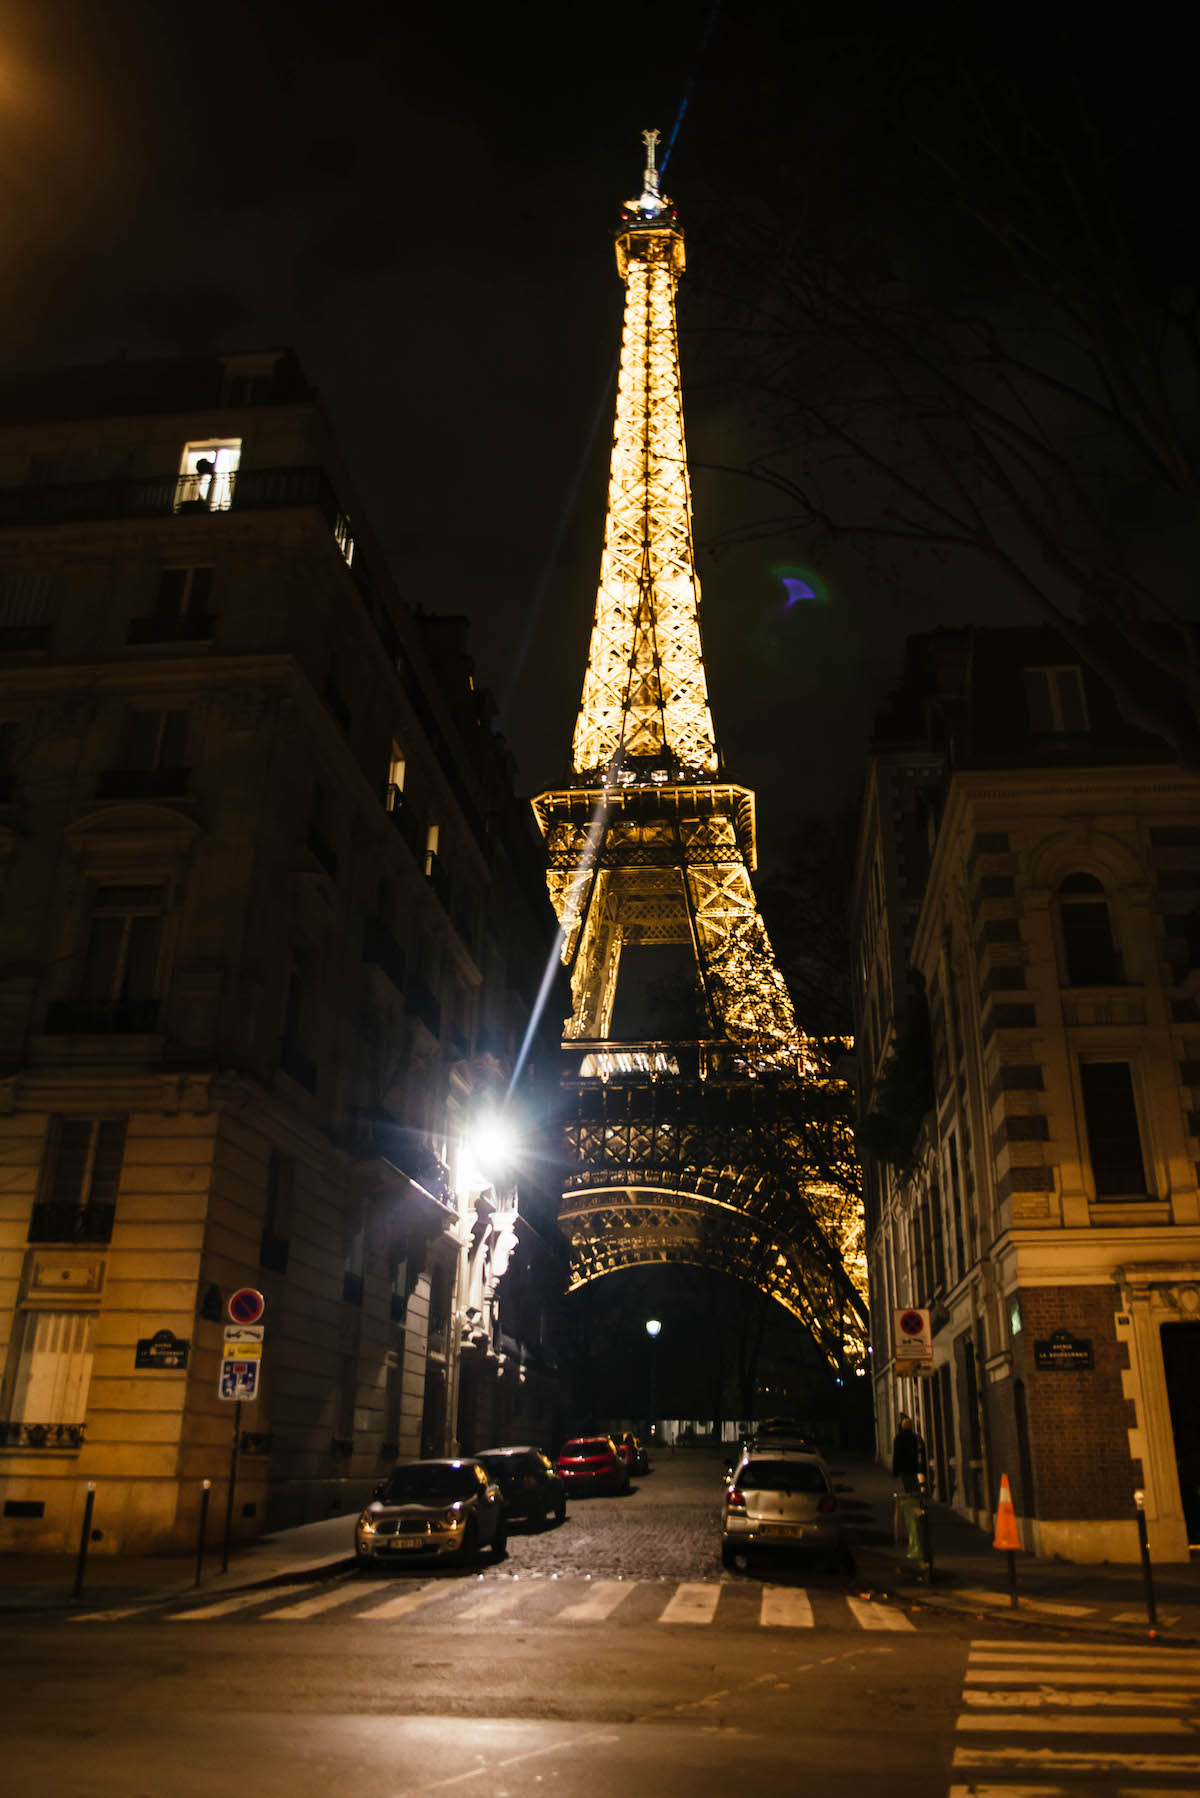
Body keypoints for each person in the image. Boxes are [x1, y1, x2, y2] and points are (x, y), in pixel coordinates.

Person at [891, 1413, 927, 1494]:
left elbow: (896, 1455)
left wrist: (895, 1470)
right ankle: (917, 1500)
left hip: (903, 1467)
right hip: (913, 1466)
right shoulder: (914, 1437)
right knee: (914, 1484)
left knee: (907, 1486)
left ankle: (911, 1501)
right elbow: (919, 1450)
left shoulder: (898, 1438)